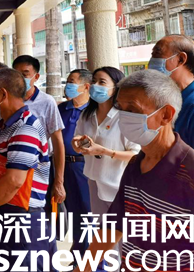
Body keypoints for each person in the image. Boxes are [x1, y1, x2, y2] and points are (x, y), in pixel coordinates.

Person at [74, 70, 194, 272]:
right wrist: (83, 268)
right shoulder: (135, 165)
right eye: (120, 108)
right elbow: (114, 226)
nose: (123, 117)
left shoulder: (189, 171)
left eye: (132, 109)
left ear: (165, 115)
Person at [0, 68, 53, 272]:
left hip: (22, 218)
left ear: (2, 94)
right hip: (3, 212)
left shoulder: (25, 128)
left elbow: (14, 181)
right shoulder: (2, 127)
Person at [72, 67, 140, 258]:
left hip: (119, 185)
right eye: (94, 81)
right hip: (94, 181)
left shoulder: (124, 117)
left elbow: (135, 154)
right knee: (103, 236)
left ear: (116, 87)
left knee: (122, 237)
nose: (95, 86)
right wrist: (77, 143)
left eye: (102, 82)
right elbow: (78, 138)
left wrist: (104, 151)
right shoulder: (87, 114)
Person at [13, 56, 66, 208]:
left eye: (25, 74)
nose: (20, 78)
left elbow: (58, 142)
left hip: (40, 167)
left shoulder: (47, 102)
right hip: (13, 166)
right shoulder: (9, 99)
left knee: (39, 209)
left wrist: (59, 181)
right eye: (16, 74)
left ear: (36, 77)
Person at [57, 69, 92, 263]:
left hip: (83, 166)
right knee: (71, 212)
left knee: (87, 211)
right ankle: (78, 250)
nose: (67, 85)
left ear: (86, 86)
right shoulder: (61, 109)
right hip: (62, 166)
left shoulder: (93, 111)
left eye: (72, 81)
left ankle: (87, 256)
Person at [149, 34, 194, 147]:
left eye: (157, 53)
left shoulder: (191, 104)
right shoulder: (163, 99)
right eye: (152, 55)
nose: (151, 61)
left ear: (181, 59)